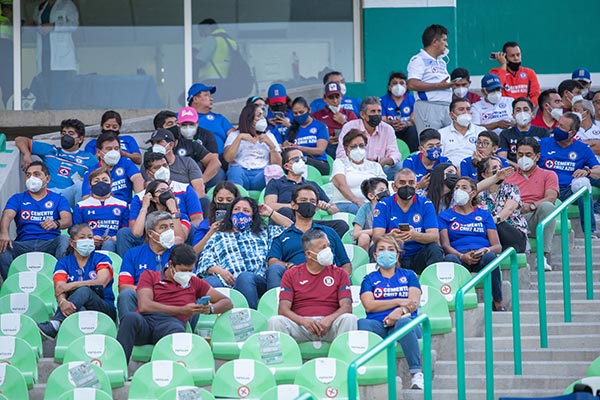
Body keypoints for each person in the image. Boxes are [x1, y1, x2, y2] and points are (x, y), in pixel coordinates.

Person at [117, 244, 233, 363]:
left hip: (171, 324)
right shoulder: (150, 276)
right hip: (146, 322)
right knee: (130, 318)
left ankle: (169, 374)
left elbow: (227, 302)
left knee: (176, 330)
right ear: (171, 264)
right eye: (183, 270)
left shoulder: (194, 282)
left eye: (190, 270)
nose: (187, 274)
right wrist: (181, 310)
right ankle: (120, 366)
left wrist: (209, 309)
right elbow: (145, 306)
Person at [197, 197, 290, 309]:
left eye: (246, 211)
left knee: (244, 277)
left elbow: (291, 228)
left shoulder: (264, 232)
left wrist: (270, 213)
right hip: (227, 281)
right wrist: (219, 270)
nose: (240, 213)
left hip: (257, 280)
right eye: (236, 209)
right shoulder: (218, 235)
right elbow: (205, 259)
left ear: (253, 216)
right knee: (208, 283)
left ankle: (251, 318)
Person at [268, 229, 357, 343]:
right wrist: (303, 321)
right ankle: (282, 360)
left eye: (328, 246)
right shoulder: (291, 274)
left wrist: (329, 319)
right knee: (275, 321)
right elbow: (283, 309)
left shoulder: (340, 273)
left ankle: (345, 359)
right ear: (309, 254)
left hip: (330, 325)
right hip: (301, 326)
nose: (328, 251)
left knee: (349, 319)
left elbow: (347, 306)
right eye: (322, 248)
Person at [358, 234, 423, 390]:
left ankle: (416, 374)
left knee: (403, 323)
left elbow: (413, 302)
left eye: (390, 249)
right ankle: (370, 369)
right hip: (380, 324)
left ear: (397, 254)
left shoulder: (409, 275)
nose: (386, 252)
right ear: (374, 255)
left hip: (406, 324)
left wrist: (399, 312)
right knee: (362, 323)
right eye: (381, 249)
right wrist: (399, 302)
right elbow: (369, 305)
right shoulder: (369, 279)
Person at [37, 224, 116, 339]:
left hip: (104, 309)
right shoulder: (63, 263)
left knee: (84, 291)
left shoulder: (102, 259)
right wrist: (63, 302)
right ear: (72, 242)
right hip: (72, 309)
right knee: (80, 308)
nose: (87, 241)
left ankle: (56, 323)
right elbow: (60, 287)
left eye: (90, 237)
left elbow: (101, 281)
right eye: (82, 237)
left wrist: (72, 285)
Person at [266, 185, 352, 289]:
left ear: (316, 207)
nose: (308, 203)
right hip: (295, 281)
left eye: (312, 201)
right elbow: (273, 262)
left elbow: (345, 264)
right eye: (303, 200)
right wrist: (289, 266)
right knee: (274, 269)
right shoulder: (282, 236)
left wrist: (339, 280)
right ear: (293, 205)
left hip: (326, 282)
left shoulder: (329, 232)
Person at [438, 177, 504, 311]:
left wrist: (485, 250)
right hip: (458, 255)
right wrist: (462, 256)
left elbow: (497, 246)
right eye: (456, 188)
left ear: (473, 193)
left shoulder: (484, 215)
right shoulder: (445, 216)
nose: (459, 191)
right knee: (449, 259)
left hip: (481, 255)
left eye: (464, 187)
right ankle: (456, 303)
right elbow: (445, 245)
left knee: (491, 258)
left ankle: (498, 301)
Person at [0, 161, 72, 279]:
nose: (31, 178)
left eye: (36, 174)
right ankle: (10, 283)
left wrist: (56, 223)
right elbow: (7, 215)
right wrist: (4, 233)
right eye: (28, 175)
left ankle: (60, 280)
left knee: (64, 240)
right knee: (3, 246)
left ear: (47, 179)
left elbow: (67, 219)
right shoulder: (18, 198)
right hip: (23, 244)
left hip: (49, 243)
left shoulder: (58, 198)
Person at [538, 113, 600, 236]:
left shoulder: (583, 149)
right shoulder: (543, 143)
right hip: (545, 189)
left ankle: (590, 232)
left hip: (567, 191)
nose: (557, 128)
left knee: (583, 186)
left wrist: (587, 172)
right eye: (558, 124)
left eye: (561, 126)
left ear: (572, 133)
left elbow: (598, 169)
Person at [372, 168, 444, 274]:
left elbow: (434, 236)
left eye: (411, 183)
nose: (407, 186)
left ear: (416, 185)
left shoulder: (425, 204)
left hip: (418, 255)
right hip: (394, 254)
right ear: (394, 187)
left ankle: (434, 284)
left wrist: (414, 235)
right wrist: (391, 237)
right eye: (402, 182)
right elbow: (376, 236)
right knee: (375, 248)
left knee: (435, 249)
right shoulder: (384, 204)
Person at [15, 119, 97, 208]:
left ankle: (79, 218)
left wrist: (86, 179)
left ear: (80, 139)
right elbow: (20, 140)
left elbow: (102, 173)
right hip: (47, 192)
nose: (66, 136)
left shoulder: (88, 158)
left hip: (68, 196)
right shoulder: (51, 150)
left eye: (71, 133)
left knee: (80, 186)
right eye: (64, 133)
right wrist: (27, 154)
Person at [264, 149, 345, 237]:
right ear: (287, 166)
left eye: (303, 159)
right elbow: (269, 205)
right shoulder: (276, 183)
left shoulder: (312, 185)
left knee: (341, 225)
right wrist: (298, 206)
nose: (301, 162)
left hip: (308, 223)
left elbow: (334, 209)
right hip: (286, 222)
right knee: (285, 211)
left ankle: (316, 244)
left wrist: (326, 207)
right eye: (296, 159)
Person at [505, 137, 558, 270]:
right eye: (520, 154)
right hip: (513, 219)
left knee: (548, 207)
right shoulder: (507, 177)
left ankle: (542, 257)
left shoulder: (548, 175)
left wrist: (531, 206)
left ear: (537, 156)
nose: (524, 158)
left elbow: (551, 198)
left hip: (534, 217)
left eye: (528, 155)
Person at [117, 211, 177, 318]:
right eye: (163, 227)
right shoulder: (133, 254)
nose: (169, 231)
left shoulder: (180, 253)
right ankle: (130, 330)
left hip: (171, 300)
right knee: (126, 295)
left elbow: (190, 283)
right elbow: (124, 286)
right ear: (150, 234)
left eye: (171, 226)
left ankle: (181, 333)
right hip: (142, 300)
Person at [336, 96, 402, 180]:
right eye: (373, 111)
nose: (377, 115)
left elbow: (395, 153)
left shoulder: (387, 129)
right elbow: (340, 154)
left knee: (399, 166)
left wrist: (386, 160)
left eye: (379, 111)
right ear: (362, 115)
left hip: (379, 168)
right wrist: (363, 162)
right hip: (355, 169)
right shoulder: (349, 127)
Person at [406, 24, 454, 133]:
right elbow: (412, 84)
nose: (446, 44)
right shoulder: (418, 59)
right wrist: (438, 86)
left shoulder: (441, 62)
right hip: (429, 106)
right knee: (430, 142)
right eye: (444, 40)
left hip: (446, 106)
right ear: (435, 42)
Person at [32, 0, 79, 110]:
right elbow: (35, 22)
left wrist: (54, 26)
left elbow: (74, 25)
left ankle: (57, 114)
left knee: (59, 86)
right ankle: (48, 112)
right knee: (45, 85)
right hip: (45, 53)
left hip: (60, 55)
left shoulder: (67, 4)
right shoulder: (42, 6)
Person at [224, 103, 282, 191]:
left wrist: (271, 146)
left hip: (261, 174)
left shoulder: (269, 136)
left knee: (274, 170)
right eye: (259, 116)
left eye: (263, 115)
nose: (263, 118)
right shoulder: (234, 135)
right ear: (249, 119)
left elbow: (277, 165)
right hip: (241, 172)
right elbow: (228, 158)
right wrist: (240, 138)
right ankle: (236, 201)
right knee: (234, 171)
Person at [477, 157, 528, 253]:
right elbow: (470, 191)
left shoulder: (511, 188)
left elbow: (508, 210)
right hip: (489, 236)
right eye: (495, 168)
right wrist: (495, 178)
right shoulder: (479, 194)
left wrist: (491, 222)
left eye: (500, 167)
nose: (500, 171)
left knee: (496, 224)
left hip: (513, 236)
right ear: (484, 174)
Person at [73, 168, 129, 253]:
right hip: (88, 244)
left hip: (114, 243)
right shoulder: (81, 206)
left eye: (105, 180)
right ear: (90, 185)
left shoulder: (123, 205)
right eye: (96, 181)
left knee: (108, 244)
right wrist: (89, 238)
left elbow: (126, 230)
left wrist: (115, 238)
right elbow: (75, 230)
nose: (101, 183)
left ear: (111, 183)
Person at [331, 129, 387, 214]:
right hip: (346, 204)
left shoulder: (375, 166)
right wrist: (356, 201)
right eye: (353, 147)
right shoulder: (340, 163)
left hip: (371, 205)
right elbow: (340, 185)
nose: (358, 149)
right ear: (346, 149)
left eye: (361, 146)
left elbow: (383, 189)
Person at [81, 132, 144, 203]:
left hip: (125, 208)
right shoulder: (91, 172)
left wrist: (139, 200)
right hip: (103, 208)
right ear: (99, 152)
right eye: (109, 149)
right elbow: (86, 197)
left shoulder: (125, 162)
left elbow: (137, 178)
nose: (113, 152)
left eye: (116, 148)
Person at [142, 128, 206, 199]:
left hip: (186, 200)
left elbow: (199, 189)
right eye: (153, 143)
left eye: (159, 142)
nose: (155, 146)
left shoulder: (188, 162)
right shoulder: (148, 165)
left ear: (171, 145)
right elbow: (148, 189)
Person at [171, 107, 224, 188]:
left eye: (191, 124)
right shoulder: (175, 138)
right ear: (178, 124)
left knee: (218, 172)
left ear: (197, 123)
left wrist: (201, 181)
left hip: (202, 170)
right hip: (181, 171)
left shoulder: (206, 134)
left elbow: (214, 160)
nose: (188, 128)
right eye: (184, 125)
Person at [284, 97, 330, 175]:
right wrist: (286, 147)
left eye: (301, 112)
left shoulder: (320, 126)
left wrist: (299, 148)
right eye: (295, 113)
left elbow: (320, 150)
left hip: (319, 163)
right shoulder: (290, 130)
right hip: (297, 163)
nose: (298, 115)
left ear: (309, 110)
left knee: (304, 160)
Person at [311, 82, 358, 158]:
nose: (335, 100)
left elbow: (358, 133)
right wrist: (324, 140)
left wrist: (344, 122)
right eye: (331, 97)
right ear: (325, 98)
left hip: (347, 148)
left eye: (337, 96)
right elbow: (311, 134)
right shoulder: (317, 115)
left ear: (341, 96)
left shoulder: (349, 113)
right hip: (327, 149)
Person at [498, 97, 550, 165]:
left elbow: (546, 156)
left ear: (532, 114)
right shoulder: (505, 134)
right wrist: (518, 167)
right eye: (518, 110)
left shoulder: (543, 132)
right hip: (513, 171)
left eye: (525, 110)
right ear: (513, 115)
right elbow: (502, 158)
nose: (522, 113)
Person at [192, 181, 239, 254]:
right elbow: (194, 252)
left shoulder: (243, 222)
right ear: (214, 199)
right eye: (220, 200)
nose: (224, 202)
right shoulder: (205, 224)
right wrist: (211, 232)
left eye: (229, 200)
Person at [187, 83, 235, 154]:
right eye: (206, 95)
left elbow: (234, 136)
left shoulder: (219, 118)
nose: (211, 99)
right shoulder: (182, 118)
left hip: (221, 160)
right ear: (196, 99)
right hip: (194, 160)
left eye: (210, 96)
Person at [489, 41, 540, 106]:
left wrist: (528, 109)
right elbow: (496, 89)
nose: (516, 58)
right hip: (503, 110)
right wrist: (503, 64)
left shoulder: (529, 73)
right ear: (505, 57)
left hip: (523, 110)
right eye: (512, 56)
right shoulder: (494, 72)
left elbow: (535, 95)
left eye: (518, 55)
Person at [439, 98, 486, 166]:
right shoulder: (441, 133)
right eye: (461, 109)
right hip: (451, 171)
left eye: (468, 109)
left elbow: (486, 155)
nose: (465, 112)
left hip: (476, 168)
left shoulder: (481, 131)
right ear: (452, 115)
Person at [380, 71, 418, 152]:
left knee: (413, 130)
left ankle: (413, 155)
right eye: (394, 83)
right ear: (389, 87)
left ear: (406, 86)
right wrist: (391, 123)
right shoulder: (382, 100)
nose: (398, 86)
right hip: (389, 128)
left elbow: (414, 120)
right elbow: (382, 120)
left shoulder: (413, 100)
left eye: (401, 83)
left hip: (407, 130)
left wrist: (406, 124)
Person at [154, 109, 219, 155]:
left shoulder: (193, 143)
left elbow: (214, 161)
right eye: (170, 124)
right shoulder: (154, 149)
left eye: (176, 123)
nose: (175, 126)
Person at [353, 177, 389, 252]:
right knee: (364, 237)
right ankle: (364, 261)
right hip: (369, 241)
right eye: (381, 190)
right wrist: (377, 231)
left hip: (388, 238)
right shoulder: (365, 208)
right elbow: (356, 234)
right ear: (371, 196)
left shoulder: (391, 206)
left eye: (386, 190)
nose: (385, 193)